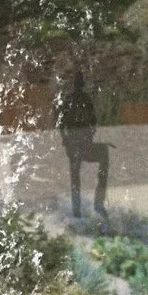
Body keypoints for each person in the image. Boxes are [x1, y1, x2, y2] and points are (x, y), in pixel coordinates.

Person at [57, 69, 110, 220]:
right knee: (75, 176)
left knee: (102, 156)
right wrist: (67, 140)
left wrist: (87, 134)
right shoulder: (74, 100)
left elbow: (93, 122)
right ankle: (79, 209)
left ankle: (96, 205)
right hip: (76, 145)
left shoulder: (84, 100)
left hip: (82, 144)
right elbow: (61, 124)